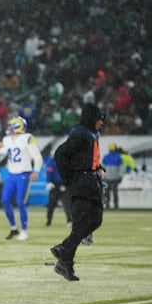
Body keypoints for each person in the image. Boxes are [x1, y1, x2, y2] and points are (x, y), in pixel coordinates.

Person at [50, 103, 107, 281]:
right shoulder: (81, 135)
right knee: (87, 221)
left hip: (89, 181)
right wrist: (70, 178)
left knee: (94, 220)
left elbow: (87, 158)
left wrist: (98, 167)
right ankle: (65, 261)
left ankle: (64, 252)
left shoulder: (87, 134)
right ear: (93, 119)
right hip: (82, 183)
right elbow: (60, 154)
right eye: (99, 119)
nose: (101, 123)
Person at [0, 116, 43, 241]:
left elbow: (37, 157)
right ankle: (13, 228)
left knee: (21, 202)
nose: (9, 127)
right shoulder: (6, 139)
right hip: (11, 174)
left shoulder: (27, 138)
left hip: (23, 173)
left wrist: (36, 171)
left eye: (11, 125)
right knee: (5, 200)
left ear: (17, 126)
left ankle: (24, 231)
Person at [45, 155, 71, 226]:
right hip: (54, 186)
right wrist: (49, 182)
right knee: (51, 205)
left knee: (67, 204)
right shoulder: (51, 161)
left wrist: (66, 184)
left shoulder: (67, 161)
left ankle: (70, 221)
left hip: (64, 185)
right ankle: (48, 221)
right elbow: (49, 172)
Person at [101, 143, 123, 209]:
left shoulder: (118, 157)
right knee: (107, 192)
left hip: (115, 178)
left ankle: (116, 204)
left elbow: (121, 167)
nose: (111, 150)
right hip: (108, 177)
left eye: (112, 149)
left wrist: (120, 175)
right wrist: (103, 175)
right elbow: (103, 167)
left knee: (115, 192)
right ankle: (107, 204)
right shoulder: (106, 157)